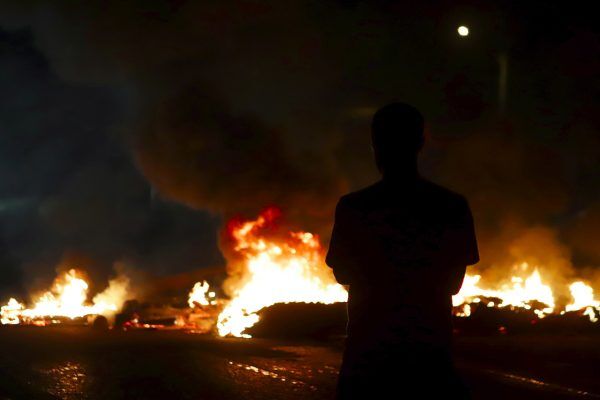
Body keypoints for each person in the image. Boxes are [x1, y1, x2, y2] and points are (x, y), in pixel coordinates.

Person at [326, 102, 479, 399]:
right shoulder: (451, 206)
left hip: (368, 355)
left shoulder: (354, 207)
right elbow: (454, 283)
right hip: (430, 355)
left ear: (375, 144)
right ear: (421, 143)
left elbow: (342, 271)